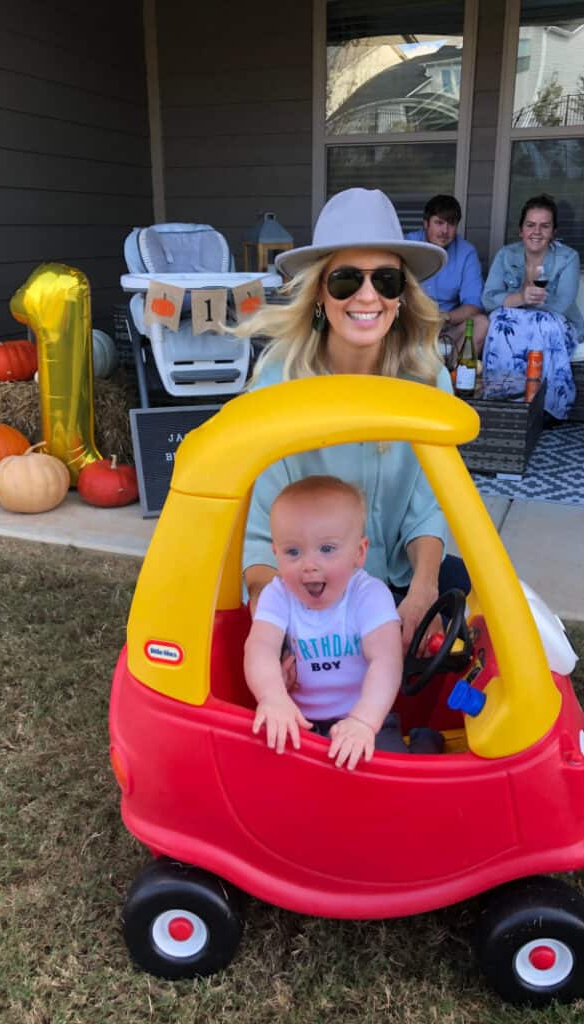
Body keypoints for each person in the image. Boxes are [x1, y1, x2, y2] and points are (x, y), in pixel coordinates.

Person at [240, 187, 470, 656]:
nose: (368, 296)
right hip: (308, 594)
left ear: (402, 295)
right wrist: (279, 634)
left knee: (471, 610)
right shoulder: (276, 386)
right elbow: (261, 537)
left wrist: (422, 590)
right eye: (347, 280)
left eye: (386, 280)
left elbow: (428, 507)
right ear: (319, 293)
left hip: (402, 580)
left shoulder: (426, 378)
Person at [244, 475, 404, 770]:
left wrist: (364, 721)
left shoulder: (369, 596)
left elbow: (387, 660)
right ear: (275, 555)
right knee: (266, 773)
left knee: (389, 773)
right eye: (293, 552)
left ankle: (419, 743)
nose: (309, 564)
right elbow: (260, 648)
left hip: (365, 716)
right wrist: (273, 697)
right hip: (296, 717)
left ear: (359, 552)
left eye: (327, 549)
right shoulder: (278, 595)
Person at [481, 193, 584, 420]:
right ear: (521, 230)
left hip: (557, 323)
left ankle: (545, 408)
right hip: (517, 323)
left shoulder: (568, 258)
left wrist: (533, 302)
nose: (536, 232)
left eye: (544, 226)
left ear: (553, 232)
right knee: (499, 321)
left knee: (542, 324)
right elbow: (488, 299)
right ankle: (502, 397)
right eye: (530, 225)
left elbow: (562, 304)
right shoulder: (506, 255)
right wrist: (521, 297)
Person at [406, 194, 489, 365]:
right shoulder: (407, 245)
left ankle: (451, 376)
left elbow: (474, 306)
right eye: (439, 223)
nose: (445, 230)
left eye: (451, 224)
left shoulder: (466, 252)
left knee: (481, 323)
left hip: (445, 329)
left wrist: (443, 317)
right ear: (426, 223)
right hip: (409, 326)